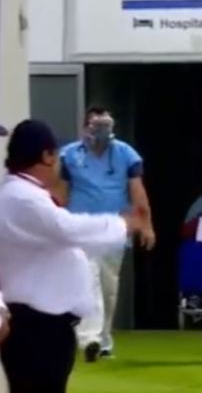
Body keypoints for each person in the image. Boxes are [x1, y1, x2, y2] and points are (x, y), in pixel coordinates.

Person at [0, 119, 144, 393]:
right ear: (47, 156)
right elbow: (66, 229)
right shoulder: (23, 197)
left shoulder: (24, 193)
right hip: (37, 322)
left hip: (42, 320)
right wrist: (121, 224)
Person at [58, 105, 156, 362]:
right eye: (96, 126)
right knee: (87, 278)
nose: (101, 131)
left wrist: (146, 224)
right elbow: (60, 192)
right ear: (85, 128)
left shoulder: (126, 154)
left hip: (114, 228)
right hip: (80, 227)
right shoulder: (69, 155)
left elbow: (137, 190)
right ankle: (89, 337)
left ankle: (103, 340)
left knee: (108, 287)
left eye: (105, 126)